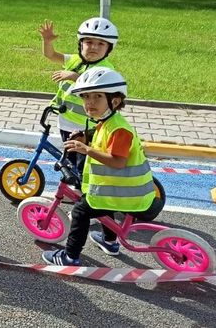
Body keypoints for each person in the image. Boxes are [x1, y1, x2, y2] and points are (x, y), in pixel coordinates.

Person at [42, 68, 155, 266]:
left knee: (80, 212)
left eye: (97, 97)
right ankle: (110, 242)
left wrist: (86, 149)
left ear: (115, 101)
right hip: (118, 191)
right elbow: (104, 139)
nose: (90, 102)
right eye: (85, 97)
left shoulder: (119, 130)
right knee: (102, 204)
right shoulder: (108, 122)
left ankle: (70, 256)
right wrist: (87, 137)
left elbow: (118, 161)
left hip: (127, 195)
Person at [39, 16, 118, 178]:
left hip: (86, 126)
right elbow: (51, 55)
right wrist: (47, 41)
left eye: (101, 44)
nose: (94, 47)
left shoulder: (105, 68)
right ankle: (73, 186)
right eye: (88, 42)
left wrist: (74, 76)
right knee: (70, 158)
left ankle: (84, 191)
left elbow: (95, 85)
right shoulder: (75, 60)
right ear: (80, 44)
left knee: (83, 162)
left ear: (109, 49)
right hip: (66, 121)